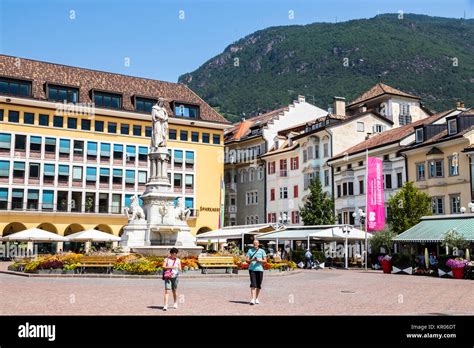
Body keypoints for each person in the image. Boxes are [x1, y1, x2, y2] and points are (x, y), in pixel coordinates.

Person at [246, 240, 267, 305]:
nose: (255, 244)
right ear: (253, 244)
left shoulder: (262, 251)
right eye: (254, 243)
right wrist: (252, 260)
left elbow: (265, 260)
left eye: (256, 243)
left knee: (258, 285)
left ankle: (256, 298)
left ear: (258, 244)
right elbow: (247, 260)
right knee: (253, 284)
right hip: (252, 269)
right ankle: (252, 299)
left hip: (260, 269)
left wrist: (260, 260)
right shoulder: (250, 251)